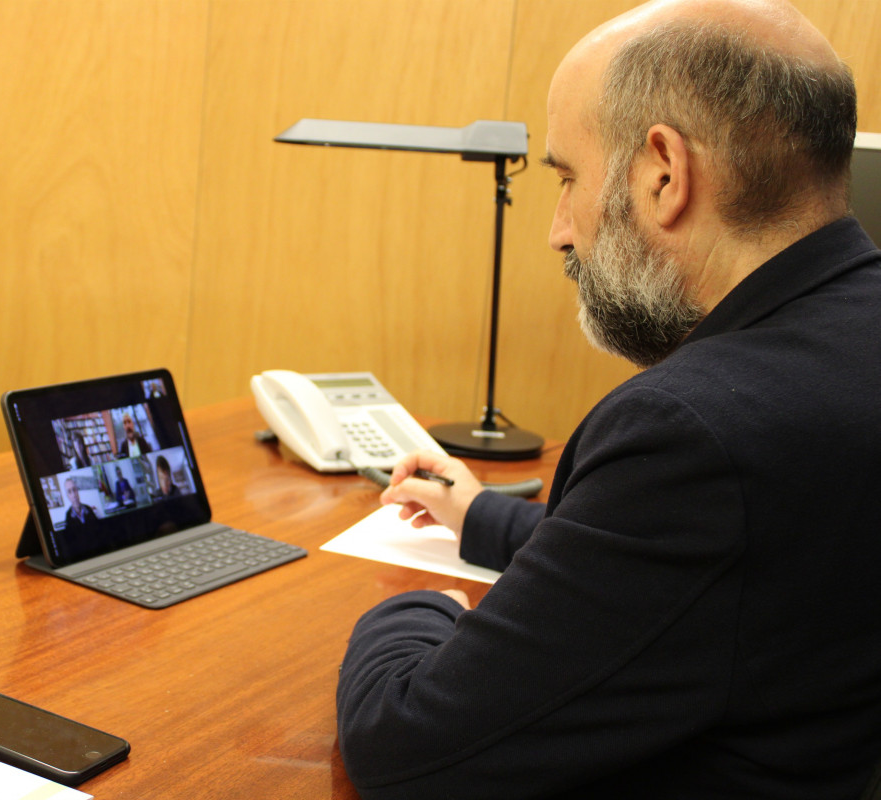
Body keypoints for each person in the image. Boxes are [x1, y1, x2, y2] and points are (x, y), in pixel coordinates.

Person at [336, 1, 881, 797]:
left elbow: (406, 749)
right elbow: (704, 571)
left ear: (663, 171)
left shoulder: (694, 430)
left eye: (566, 178)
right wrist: (481, 515)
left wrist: (414, 612)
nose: (558, 230)